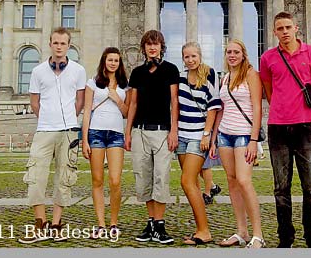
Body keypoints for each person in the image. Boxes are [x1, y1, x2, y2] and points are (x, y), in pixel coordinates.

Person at [259, 11, 311, 248]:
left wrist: (299, 108)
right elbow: (268, 90)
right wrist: (283, 107)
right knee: (281, 188)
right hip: (277, 127)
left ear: (296, 28)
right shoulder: (267, 58)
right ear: (274, 32)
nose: (284, 32)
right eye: (280, 28)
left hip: (306, 126)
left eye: (288, 27)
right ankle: (285, 238)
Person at [18, 27, 86, 244]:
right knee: (36, 177)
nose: (59, 47)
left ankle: (56, 224)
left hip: (68, 131)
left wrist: (67, 118)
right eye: (55, 43)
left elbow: (80, 101)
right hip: (44, 130)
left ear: (69, 45)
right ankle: (40, 224)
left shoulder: (78, 70)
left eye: (63, 43)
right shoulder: (38, 71)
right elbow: (34, 102)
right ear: (50, 44)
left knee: (64, 178)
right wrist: (48, 118)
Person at [124, 30, 179, 245]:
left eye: (155, 44)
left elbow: (174, 102)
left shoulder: (170, 70)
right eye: (148, 44)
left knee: (161, 177)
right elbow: (133, 104)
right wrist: (128, 132)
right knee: (143, 178)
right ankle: (151, 222)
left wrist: (174, 130)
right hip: (139, 130)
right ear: (144, 47)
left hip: (162, 131)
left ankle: (160, 224)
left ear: (161, 46)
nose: (152, 47)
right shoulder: (137, 72)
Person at [210, 39, 265, 248]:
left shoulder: (251, 74)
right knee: (231, 182)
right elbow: (221, 110)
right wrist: (214, 137)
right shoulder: (224, 78)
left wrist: (253, 140)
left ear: (243, 54)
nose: (232, 55)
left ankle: (258, 234)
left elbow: (257, 108)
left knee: (244, 181)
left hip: (244, 135)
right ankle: (241, 231)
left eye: (236, 52)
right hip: (225, 135)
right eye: (229, 52)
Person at [82, 47, 130, 242]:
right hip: (96, 133)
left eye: (116, 60)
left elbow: (127, 112)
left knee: (115, 180)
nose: (113, 63)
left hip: (116, 134)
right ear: (104, 61)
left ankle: (114, 223)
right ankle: (101, 224)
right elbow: (86, 112)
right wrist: (84, 140)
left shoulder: (125, 86)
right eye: (110, 60)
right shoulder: (92, 83)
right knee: (97, 180)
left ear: (120, 64)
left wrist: (117, 98)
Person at [177, 42, 221, 245]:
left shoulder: (209, 76)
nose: (191, 60)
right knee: (192, 184)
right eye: (187, 57)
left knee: (186, 181)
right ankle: (199, 229)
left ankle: (205, 230)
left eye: (194, 56)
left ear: (200, 56)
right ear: (183, 59)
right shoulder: (180, 79)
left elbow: (213, 108)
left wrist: (206, 135)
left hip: (197, 137)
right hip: (182, 137)